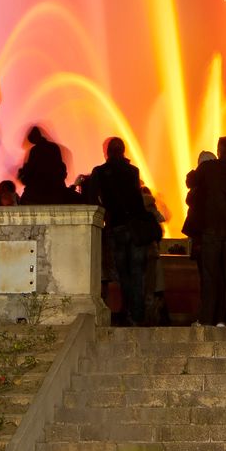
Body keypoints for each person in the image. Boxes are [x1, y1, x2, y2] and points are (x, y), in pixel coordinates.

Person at [83, 138, 153, 327]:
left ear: (107, 151)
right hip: (136, 228)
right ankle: (136, 315)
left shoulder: (99, 172)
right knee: (137, 272)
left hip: (117, 227)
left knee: (124, 273)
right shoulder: (133, 171)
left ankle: (129, 312)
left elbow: (92, 201)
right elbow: (137, 199)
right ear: (123, 150)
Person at [186, 137, 226, 328]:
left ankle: (206, 319)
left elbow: (190, 182)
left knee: (210, 276)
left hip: (210, 231)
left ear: (218, 149)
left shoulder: (207, 168)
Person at [17, 127, 71, 205]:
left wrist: (23, 173)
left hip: (37, 193)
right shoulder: (54, 147)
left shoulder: (35, 150)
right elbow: (60, 166)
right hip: (56, 191)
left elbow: (31, 170)